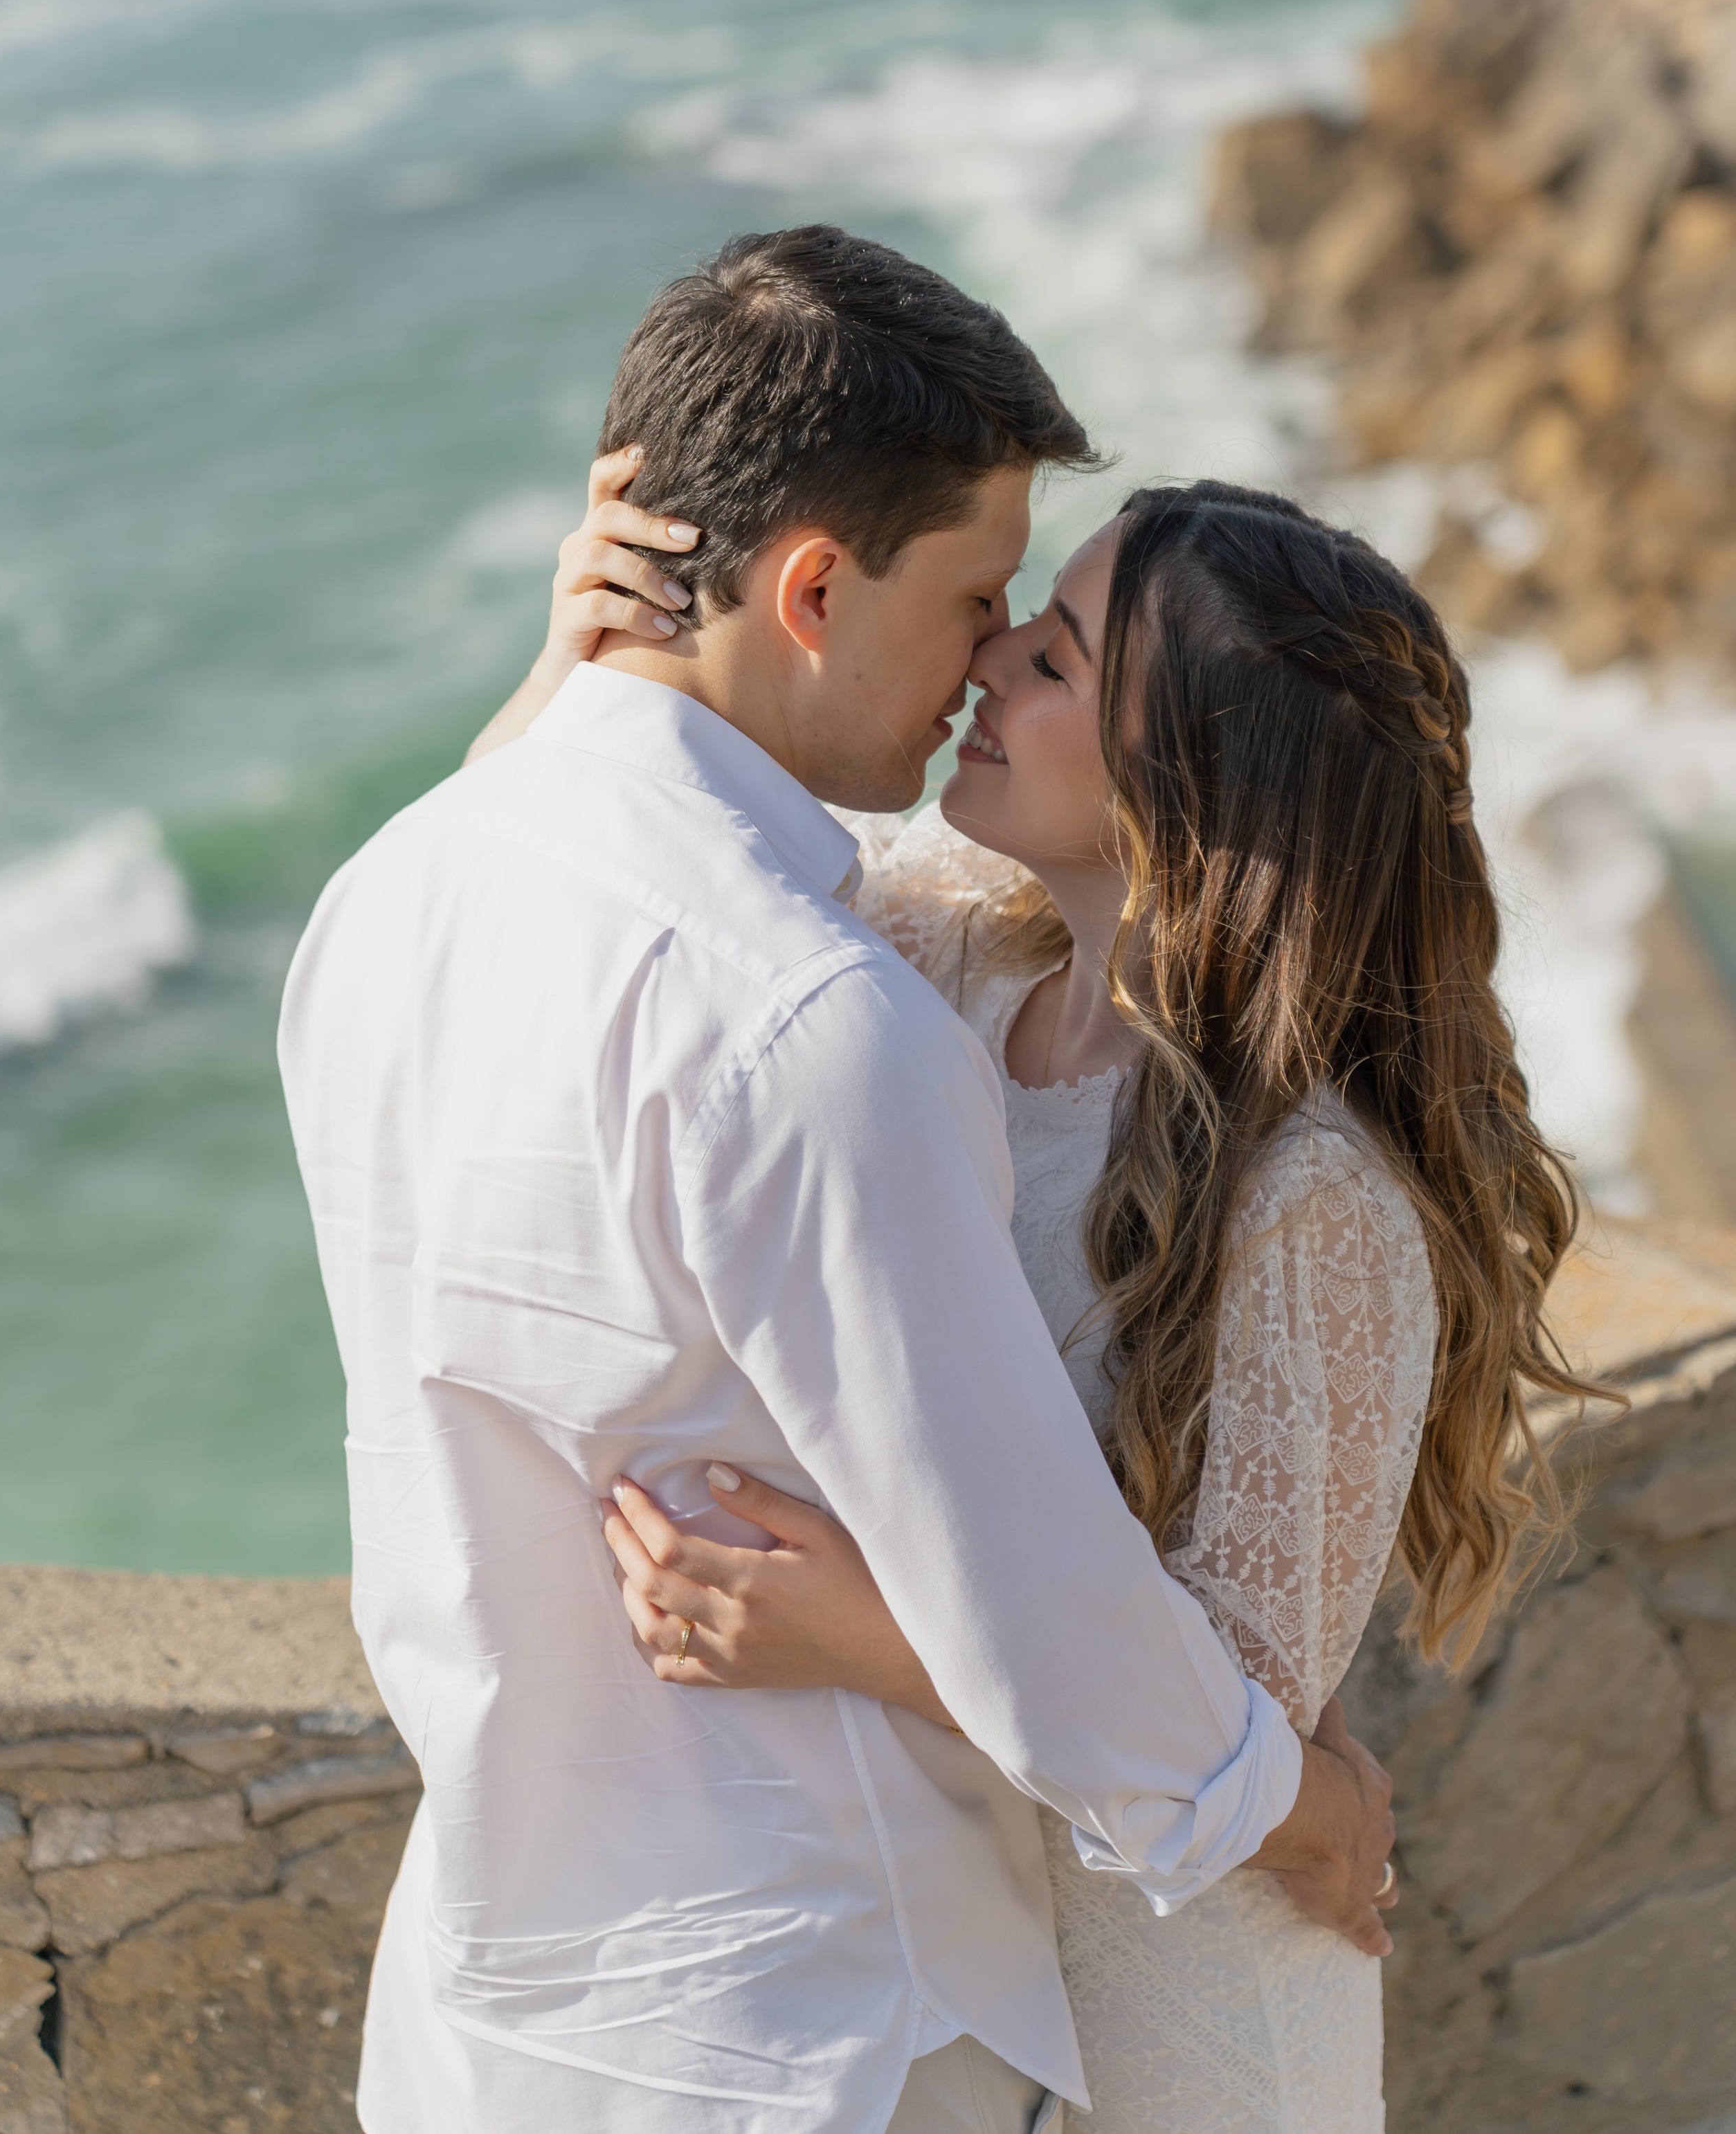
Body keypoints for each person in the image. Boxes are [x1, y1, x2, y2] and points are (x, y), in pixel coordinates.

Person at [280, 226, 1396, 2134]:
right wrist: (1308, 1809)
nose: (986, 657)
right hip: (818, 2028)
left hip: (490, 2023)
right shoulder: (808, 1018)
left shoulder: (386, 896)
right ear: (812, 585)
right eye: (978, 599)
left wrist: (578, 672)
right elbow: (1041, 1612)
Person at [500, 454, 1599, 2133]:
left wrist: (849, 1633)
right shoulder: (948, 959)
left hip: (1177, 2016)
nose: (992, 653)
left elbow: (1234, 1725)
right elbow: (599, 917)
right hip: (948, 1960)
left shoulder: (1312, 1196)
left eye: (1059, 656)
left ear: (1194, 774)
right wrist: (573, 678)